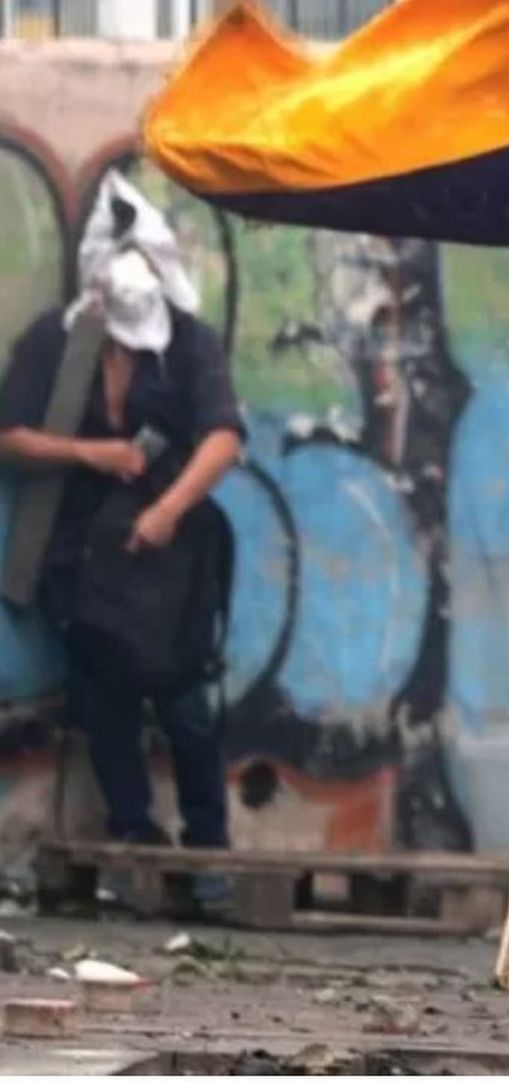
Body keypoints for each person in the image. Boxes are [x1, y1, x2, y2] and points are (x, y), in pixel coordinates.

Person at [0, 173, 242, 908]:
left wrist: (167, 508)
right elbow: (10, 436)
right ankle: (131, 844)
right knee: (103, 702)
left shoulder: (187, 344)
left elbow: (223, 437)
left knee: (185, 707)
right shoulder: (57, 340)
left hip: (171, 557)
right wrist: (90, 455)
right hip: (82, 556)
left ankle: (207, 857)